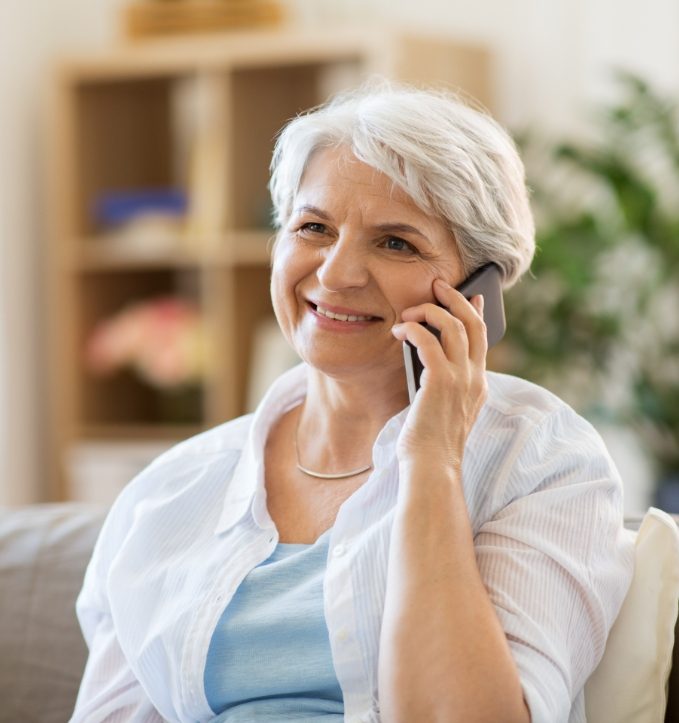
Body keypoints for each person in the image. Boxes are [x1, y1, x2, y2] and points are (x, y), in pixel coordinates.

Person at [70, 81, 634, 723]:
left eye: (396, 242)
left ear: (479, 290)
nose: (336, 274)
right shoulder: (168, 492)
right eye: (313, 227)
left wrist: (431, 461)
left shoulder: (539, 461)